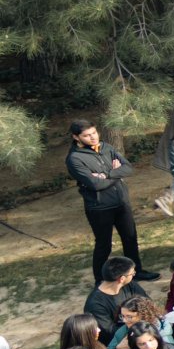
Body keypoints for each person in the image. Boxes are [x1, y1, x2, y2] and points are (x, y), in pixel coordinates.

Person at [66, 121, 151, 284]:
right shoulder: (74, 158)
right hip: (99, 208)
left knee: (130, 239)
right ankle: (100, 281)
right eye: (87, 135)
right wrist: (116, 173)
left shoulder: (106, 147)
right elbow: (95, 184)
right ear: (76, 137)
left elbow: (128, 168)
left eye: (94, 133)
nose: (93, 137)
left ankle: (136, 272)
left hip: (121, 202)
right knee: (104, 245)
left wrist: (106, 175)